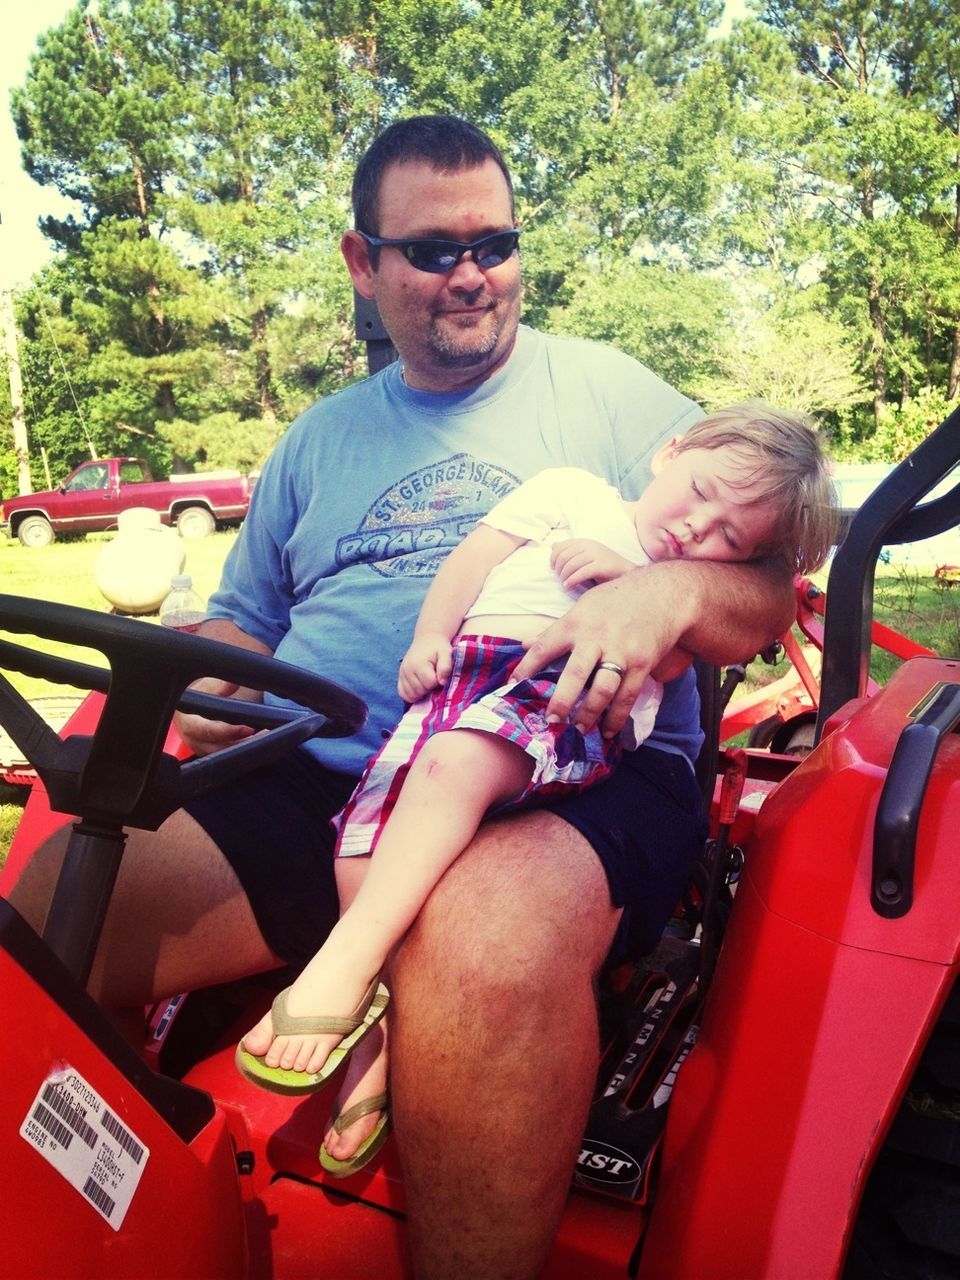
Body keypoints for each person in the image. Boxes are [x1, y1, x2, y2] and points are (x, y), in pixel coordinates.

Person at [8, 115, 797, 1278]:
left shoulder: (620, 399)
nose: (473, 272)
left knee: (486, 943)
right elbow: (248, 617)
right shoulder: (318, 441)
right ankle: (99, 1223)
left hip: (572, 771)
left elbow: (767, 588)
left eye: (497, 240)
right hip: (326, 766)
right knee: (50, 912)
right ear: (362, 262)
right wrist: (212, 673)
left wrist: (670, 593)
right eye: (432, 249)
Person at [235, 410, 837, 1157]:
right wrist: (429, 637)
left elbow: (678, 662)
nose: (699, 531)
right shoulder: (569, 493)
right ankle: (376, 1042)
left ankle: (338, 971)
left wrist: (636, 585)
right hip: (463, 681)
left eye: (731, 540)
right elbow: (472, 561)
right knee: (362, 842)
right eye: (701, 492)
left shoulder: (683, 580)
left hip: (565, 699)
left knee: (454, 768)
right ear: (670, 452)